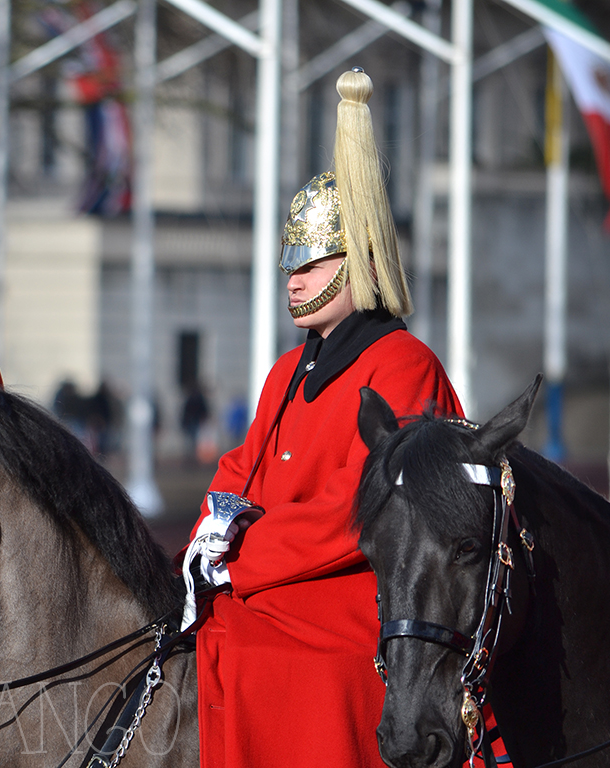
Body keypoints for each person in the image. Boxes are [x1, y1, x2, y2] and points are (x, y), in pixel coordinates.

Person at [181, 68, 464, 768]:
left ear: (360, 261)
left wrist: (246, 556)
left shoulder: (403, 364)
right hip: (271, 583)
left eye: (312, 263)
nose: (295, 279)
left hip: (356, 600)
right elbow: (240, 469)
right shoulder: (288, 368)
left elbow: (363, 507)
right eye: (290, 265)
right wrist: (208, 535)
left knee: (255, 662)